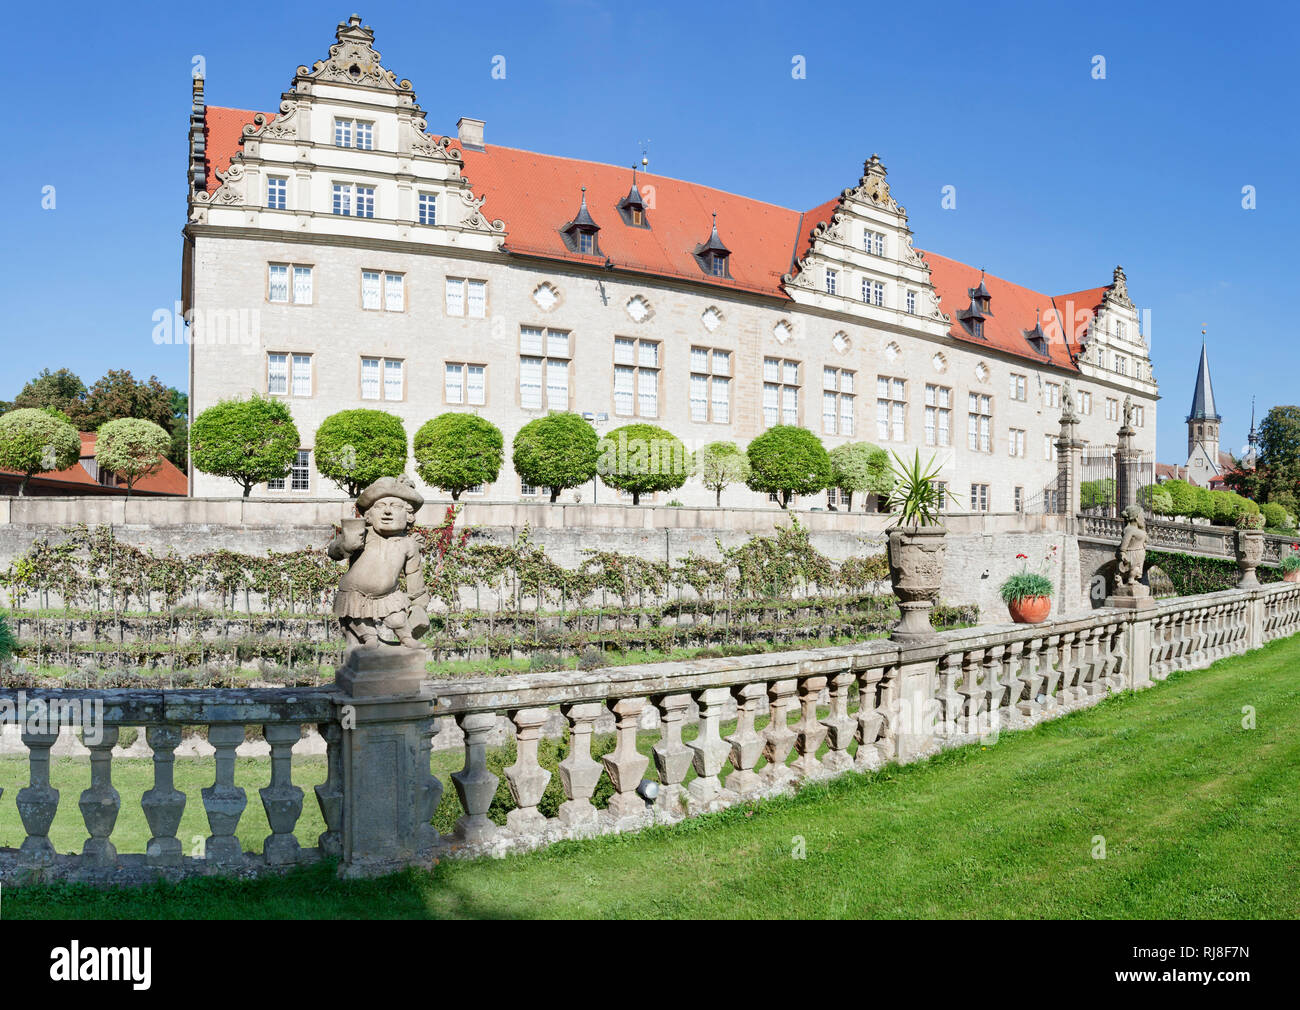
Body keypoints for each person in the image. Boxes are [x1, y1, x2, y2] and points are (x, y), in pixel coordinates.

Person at [328, 476, 430, 649]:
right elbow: (334, 553)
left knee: (398, 618)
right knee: (356, 618)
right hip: (354, 593)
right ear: (369, 515)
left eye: (395, 506)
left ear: (409, 515)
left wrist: (419, 604)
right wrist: (345, 544)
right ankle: (369, 638)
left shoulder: (409, 544)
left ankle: (406, 638)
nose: (387, 512)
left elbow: (414, 576)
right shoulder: (362, 534)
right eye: (380, 506)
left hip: (388, 595)